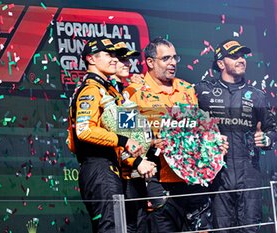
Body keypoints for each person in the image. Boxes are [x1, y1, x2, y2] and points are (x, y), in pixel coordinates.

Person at [124, 37, 228, 232]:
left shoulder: (187, 89)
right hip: (158, 180)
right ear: (150, 62)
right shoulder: (133, 92)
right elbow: (124, 138)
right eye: (166, 59)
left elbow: (199, 129)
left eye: (175, 58)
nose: (172, 63)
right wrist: (151, 142)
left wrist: (214, 142)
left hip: (192, 179)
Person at [195, 39, 277, 233]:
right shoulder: (203, 91)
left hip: (249, 172)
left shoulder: (256, 95)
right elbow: (187, 126)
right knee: (221, 229)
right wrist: (204, 138)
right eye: (234, 56)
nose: (241, 60)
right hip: (218, 174)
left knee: (250, 229)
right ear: (220, 63)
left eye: (242, 56)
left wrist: (267, 140)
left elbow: (272, 129)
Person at [66, 38, 144, 233]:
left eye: (116, 56)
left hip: (108, 167)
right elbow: (84, 131)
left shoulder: (106, 89)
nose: (115, 60)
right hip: (99, 167)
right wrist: (124, 141)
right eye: (110, 55)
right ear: (91, 58)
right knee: (112, 229)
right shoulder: (91, 90)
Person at [112, 41, 157, 233]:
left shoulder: (124, 92)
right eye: (122, 59)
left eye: (129, 59)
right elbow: (118, 137)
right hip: (121, 174)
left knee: (139, 224)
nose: (127, 63)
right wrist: (136, 161)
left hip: (135, 171)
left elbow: (132, 133)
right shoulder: (110, 94)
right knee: (126, 226)